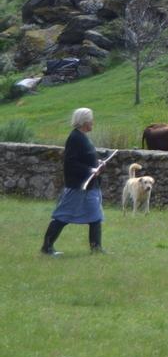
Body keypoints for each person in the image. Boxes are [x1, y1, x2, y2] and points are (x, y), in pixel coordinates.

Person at [41, 108, 107, 256]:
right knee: (63, 215)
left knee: (95, 215)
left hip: (91, 187)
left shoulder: (83, 137)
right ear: (84, 122)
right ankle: (47, 248)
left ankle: (96, 249)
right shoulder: (75, 138)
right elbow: (70, 163)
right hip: (78, 187)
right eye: (91, 120)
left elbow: (86, 158)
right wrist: (90, 170)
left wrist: (98, 163)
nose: (93, 122)